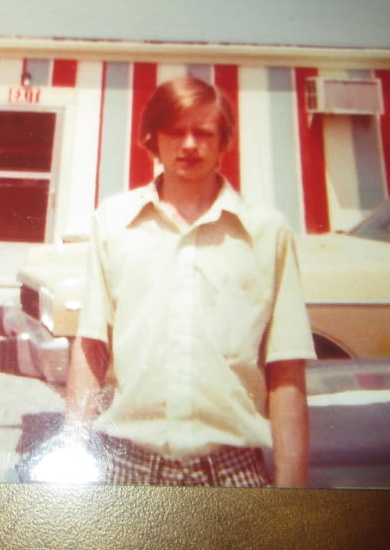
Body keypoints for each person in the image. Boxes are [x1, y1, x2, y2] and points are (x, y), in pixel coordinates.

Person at [63, 75, 316, 487]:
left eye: (203, 132)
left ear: (224, 140)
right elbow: (91, 346)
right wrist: (71, 460)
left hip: (233, 474)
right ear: (153, 137)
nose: (189, 145)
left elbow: (286, 368)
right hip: (128, 471)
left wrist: (293, 494)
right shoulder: (113, 222)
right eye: (176, 131)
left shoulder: (267, 232)